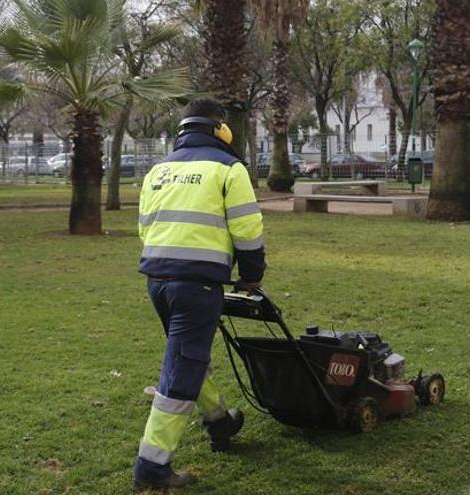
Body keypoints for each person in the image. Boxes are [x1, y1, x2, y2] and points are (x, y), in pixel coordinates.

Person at [133, 98, 266, 491]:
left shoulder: (158, 170)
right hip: (198, 285)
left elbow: (145, 225)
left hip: (158, 281)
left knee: (188, 355)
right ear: (220, 130)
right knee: (182, 369)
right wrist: (251, 276)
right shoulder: (229, 168)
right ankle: (151, 467)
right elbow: (248, 229)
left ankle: (219, 421)